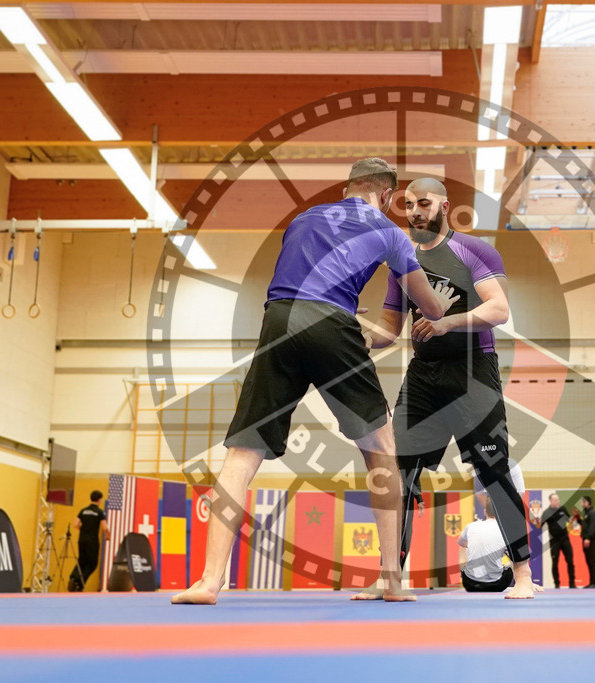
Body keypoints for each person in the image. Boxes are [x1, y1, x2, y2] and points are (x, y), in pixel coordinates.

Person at [173, 159, 453, 605]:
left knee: (242, 455)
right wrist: (442, 295)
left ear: (348, 188)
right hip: (332, 322)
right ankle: (392, 579)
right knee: (381, 449)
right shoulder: (389, 232)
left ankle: (208, 581)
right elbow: (432, 310)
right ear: (385, 197)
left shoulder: (302, 219)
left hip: (277, 321)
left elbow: (304, 274)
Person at [366, 177, 535, 599]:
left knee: (494, 472)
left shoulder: (473, 250)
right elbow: (389, 329)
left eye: (423, 203)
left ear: (444, 206)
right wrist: (349, 333)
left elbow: (499, 308)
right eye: (407, 204)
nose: (414, 211)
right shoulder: (401, 260)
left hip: (473, 370)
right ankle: (390, 576)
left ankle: (524, 576)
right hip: (424, 373)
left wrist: (446, 322)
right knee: (396, 472)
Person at [457, 497, 513, 592]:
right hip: (498, 584)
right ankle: (522, 580)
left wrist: (475, 546)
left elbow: (461, 542)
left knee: (462, 548)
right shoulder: (506, 529)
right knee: (513, 555)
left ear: (485, 512)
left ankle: (465, 572)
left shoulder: (471, 526)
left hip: (470, 584)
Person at [68, 490, 108, 592]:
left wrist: (83, 530)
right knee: (92, 564)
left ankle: (73, 577)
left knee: (82, 560)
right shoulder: (99, 512)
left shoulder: (83, 510)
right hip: (92, 541)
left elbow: (75, 524)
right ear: (99, 500)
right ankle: (80, 584)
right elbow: (105, 527)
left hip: (82, 540)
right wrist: (108, 535)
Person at [532, 493, 575, 588]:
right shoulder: (547, 512)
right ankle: (557, 584)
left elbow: (569, 521)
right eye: (555, 500)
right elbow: (539, 526)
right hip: (554, 541)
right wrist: (537, 522)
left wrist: (573, 518)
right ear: (551, 501)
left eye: (558, 500)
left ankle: (572, 583)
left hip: (565, 539)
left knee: (570, 561)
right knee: (555, 563)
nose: (557, 502)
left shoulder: (563, 509)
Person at [579, 495, 595, 588]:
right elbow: (585, 525)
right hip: (586, 539)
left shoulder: (592, 513)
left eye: (582, 502)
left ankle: (594, 582)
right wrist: (578, 518)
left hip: (590, 540)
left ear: (587, 503)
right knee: (588, 561)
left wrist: (588, 538)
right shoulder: (586, 513)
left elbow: (592, 527)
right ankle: (591, 582)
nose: (581, 504)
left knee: (592, 561)